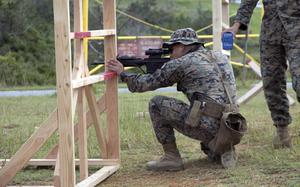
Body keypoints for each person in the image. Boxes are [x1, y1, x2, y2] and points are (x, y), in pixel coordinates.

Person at [106, 28, 245, 171]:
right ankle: (221, 146)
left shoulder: (181, 63)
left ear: (182, 46)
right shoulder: (219, 56)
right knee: (205, 108)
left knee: (157, 103)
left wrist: (122, 73)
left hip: (210, 126)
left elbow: (141, 84)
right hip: (233, 125)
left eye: (171, 49)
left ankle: (172, 158)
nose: (170, 54)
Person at [224, 0, 300, 149]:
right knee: (271, 82)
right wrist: (236, 26)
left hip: (297, 30)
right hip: (270, 32)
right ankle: (282, 133)